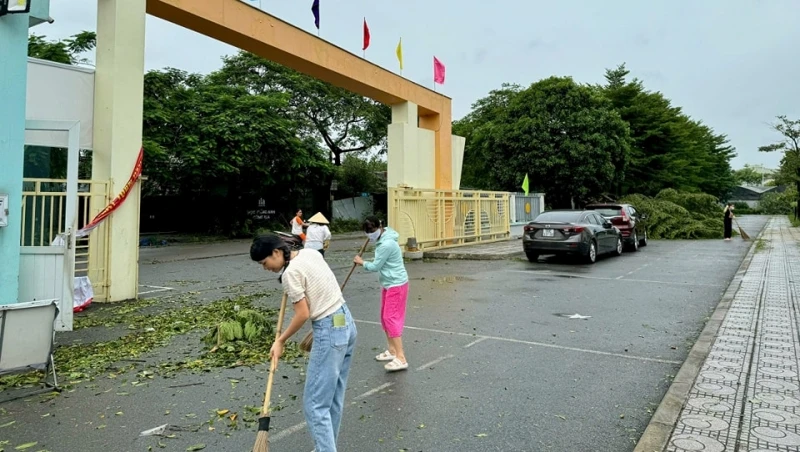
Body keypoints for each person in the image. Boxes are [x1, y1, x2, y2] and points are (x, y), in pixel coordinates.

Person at [251, 234, 357, 452]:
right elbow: (317, 287)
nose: (265, 268)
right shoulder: (310, 252)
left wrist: (280, 340)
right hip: (345, 322)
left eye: (265, 263)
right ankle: (325, 447)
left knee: (315, 405)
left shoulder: (290, 274)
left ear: (277, 252)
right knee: (333, 399)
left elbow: (302, 314)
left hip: (329, 330)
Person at [353, 216, 410, 372]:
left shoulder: (386, 244)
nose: (369, 234)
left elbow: (375, 266)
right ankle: (392, 350)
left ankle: (401, 357)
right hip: (388, 283)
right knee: (384, 318)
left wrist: (361, 262)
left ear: (380, 227)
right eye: (367, 232)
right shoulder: (384, 237)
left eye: (371, 231)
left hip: (396, 284)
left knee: (390, 318)